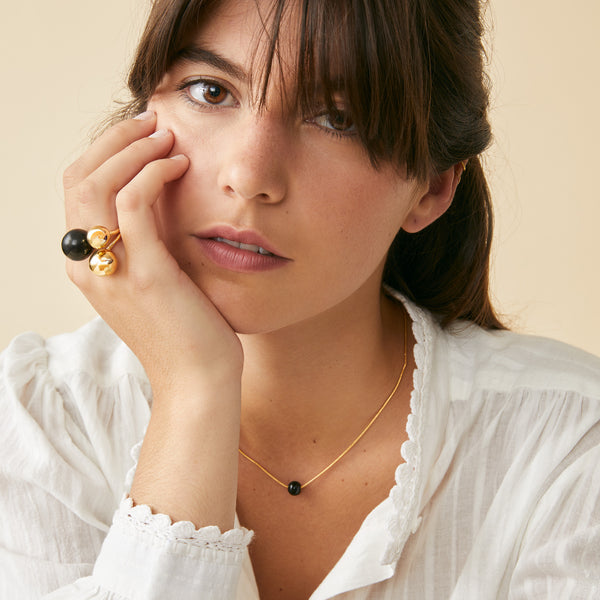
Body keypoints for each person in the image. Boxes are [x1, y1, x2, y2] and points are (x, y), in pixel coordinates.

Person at [1, 0, 599, 598]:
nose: (249, 176)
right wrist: (194, 390)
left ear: (432, 187)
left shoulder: (569, 443)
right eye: (211, 91)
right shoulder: (43, 420)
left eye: (338, 119)